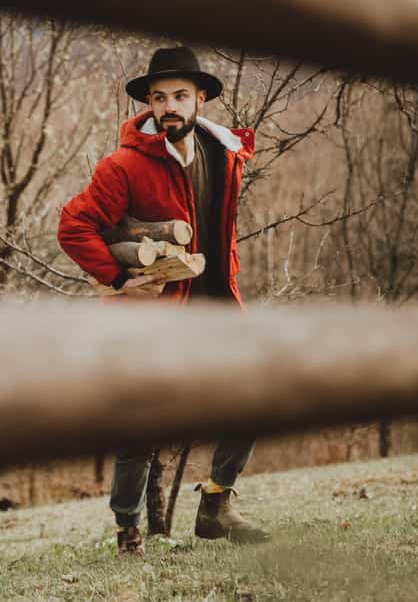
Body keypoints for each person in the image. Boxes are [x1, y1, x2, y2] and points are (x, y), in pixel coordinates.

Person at [57, 46, 270, 554]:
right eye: (159, 98)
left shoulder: (225, 153)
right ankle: (128, 528)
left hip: (217, 304)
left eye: (179, 96)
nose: (169, 106)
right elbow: (72, 226)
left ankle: (217, 503)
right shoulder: (124, 166)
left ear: (200, 99)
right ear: (149, 105)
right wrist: (117, 278)